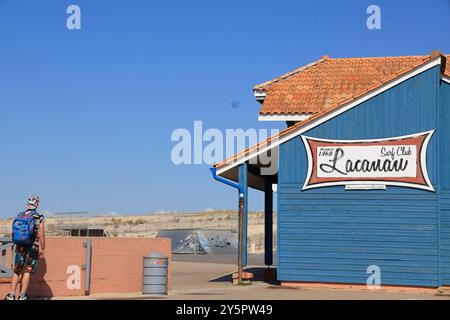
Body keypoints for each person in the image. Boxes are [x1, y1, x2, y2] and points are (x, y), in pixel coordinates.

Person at [4, 196, 45, 300]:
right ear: (37, 204)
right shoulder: (39, 216)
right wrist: (43, 247)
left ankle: (11, 295)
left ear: (28, 203)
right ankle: (22, 296)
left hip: (20, 246)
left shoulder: (20, 215)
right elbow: (41, 234)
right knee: (27, 271)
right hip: (33, 247)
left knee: (17, 271)